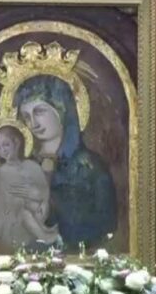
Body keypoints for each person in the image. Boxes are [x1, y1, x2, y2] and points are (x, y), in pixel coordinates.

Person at [13, 75, 117, 252]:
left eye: (39, 112)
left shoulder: (90, 167)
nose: (33, 124)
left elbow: (105, 223)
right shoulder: (24, 165)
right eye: (26, 116)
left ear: (61, 109)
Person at [0, 125, 60, 251]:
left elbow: (44, 190)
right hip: (6, 218)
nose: (3, 150)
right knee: (24, 213)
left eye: (6, 145)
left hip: (30, 211)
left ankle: (43, 230)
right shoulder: (2, 170)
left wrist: (42, 201)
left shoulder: (32, 166)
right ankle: (44, 236)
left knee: (31, 207)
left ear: (17, 143)